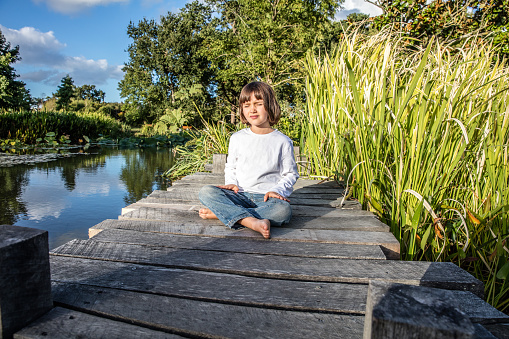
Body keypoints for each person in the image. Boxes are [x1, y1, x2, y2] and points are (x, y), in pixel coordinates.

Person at [198, 81, 299, 239]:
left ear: (270, 106)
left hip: (266, 198)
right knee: (206, 192)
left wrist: (277, 191)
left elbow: (291, 174)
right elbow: (231, 167)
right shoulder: (237, 138)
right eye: (246, 105)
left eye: (258, 104)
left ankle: (226, 214)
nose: (252, 109)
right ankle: (250, 221)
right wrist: (231, 183)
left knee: (283, 211)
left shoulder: (282, 141)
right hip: (240, 195)